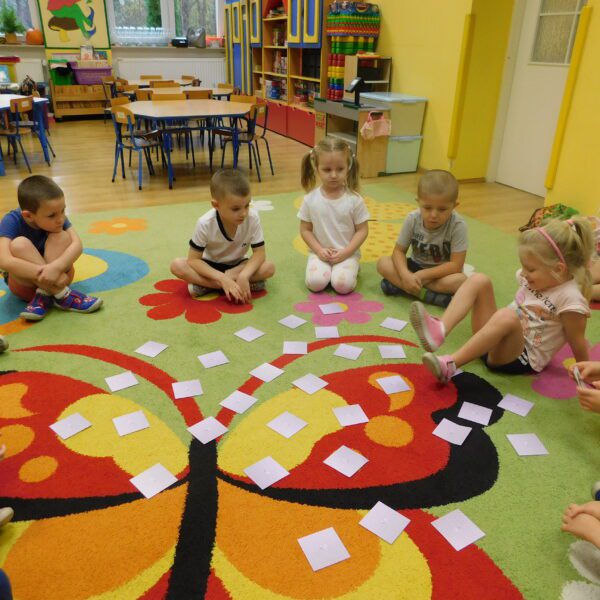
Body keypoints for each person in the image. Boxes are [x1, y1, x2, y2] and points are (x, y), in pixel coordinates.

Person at [409, 217, 593, 383]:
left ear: (559, 269)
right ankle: (440, 329)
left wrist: (587, 374)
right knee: (479, 280)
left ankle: (450, 365)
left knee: (507, 315)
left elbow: (577, 340)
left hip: (519, 358)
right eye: (523, 266)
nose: (524, 273)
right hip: (493, 339)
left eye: (530, 269)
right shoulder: (536, 278)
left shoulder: (570, 299)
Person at [0, 175, 103, 322]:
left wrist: (56, 268)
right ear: (28, 216)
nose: (60, 219)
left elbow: (77, 245)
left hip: (60, 276)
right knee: (19, 244)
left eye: (63, 210)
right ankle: (63, 294)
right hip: (27, 286)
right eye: (52, 216)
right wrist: (47, 273)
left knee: (62, 236)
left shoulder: (57, 214)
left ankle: (44, 295)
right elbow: (3, 260)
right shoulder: (11, 220)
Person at [170, 169, 275, 304]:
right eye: (235, 209)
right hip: (209, 267)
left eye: (247, 205)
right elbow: (193, 260)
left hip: (238, 266)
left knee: (269, 267)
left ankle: (208, 286)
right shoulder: (205, 223)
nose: (243, 213)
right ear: (216, 205)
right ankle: (229, 285)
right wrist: (222, 278)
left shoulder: (252, 217)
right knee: (177, 265)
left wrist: (244, 275)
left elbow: (260, 253)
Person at [377, 169, 467, 308]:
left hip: (440, 274)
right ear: (418, 202)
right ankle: (424, 294)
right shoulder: (412, 219)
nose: (434, 215)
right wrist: (405, 274)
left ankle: (402, 286)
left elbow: (456, 265)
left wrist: (422, 276)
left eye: (442, 209)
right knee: (383, 263)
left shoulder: (458, 225)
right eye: (427, 208)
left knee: (461, 281)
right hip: (414, 267)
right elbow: (398, 251)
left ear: (454, 206)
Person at [298, 137, 369, 294]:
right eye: (327, 170)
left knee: (342, 286)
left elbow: (362, 230)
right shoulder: (310, 199)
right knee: (315, 283)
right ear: (316, 168)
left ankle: (352, 267)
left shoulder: (354, 200)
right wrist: (318, 250)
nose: (334, 175)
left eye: (340, 169)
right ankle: (332, 271)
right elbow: (305, 230)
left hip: (347, 253)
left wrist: (347, 252)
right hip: (319, 253)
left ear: (348, 167)